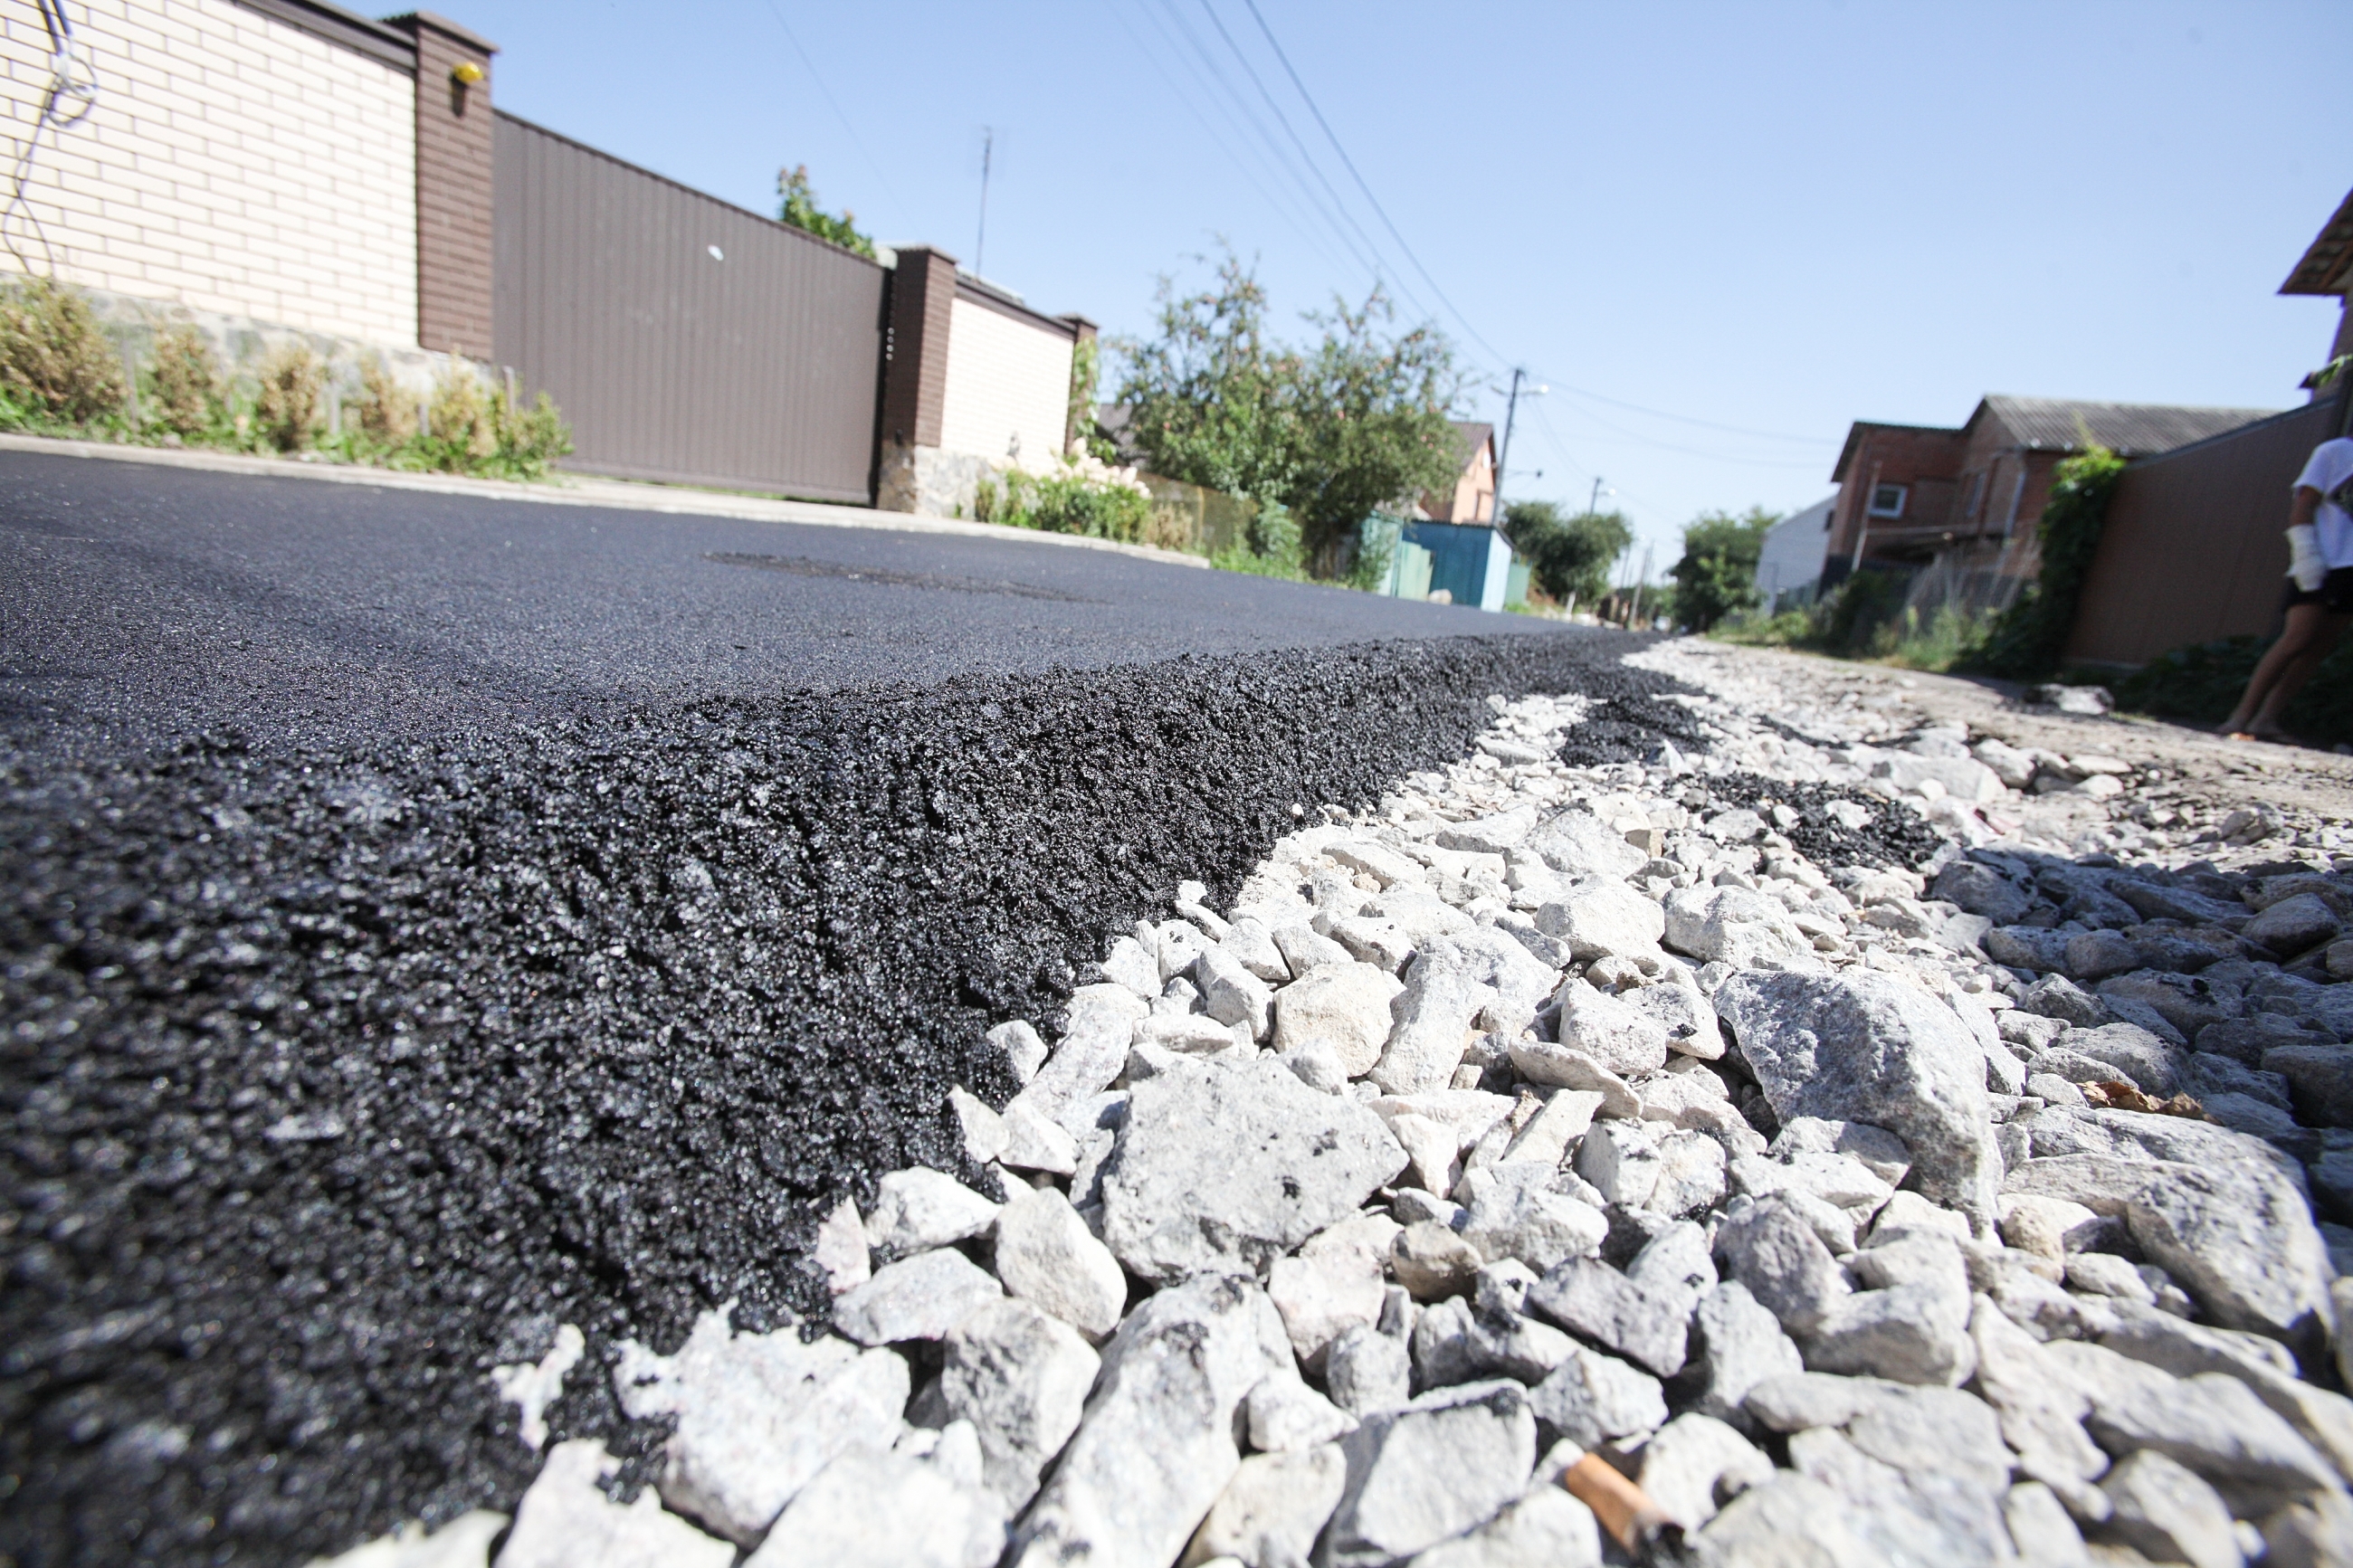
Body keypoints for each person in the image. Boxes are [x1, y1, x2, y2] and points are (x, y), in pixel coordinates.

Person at [2223, 431, 2353, 741]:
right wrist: (2307, 554)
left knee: (2320, 646)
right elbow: (2304, 504)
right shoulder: (2334, 452)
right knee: (2297, 637)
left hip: (2351, 567)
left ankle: (2267, 719)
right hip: (2321, 559)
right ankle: (2239, 716)